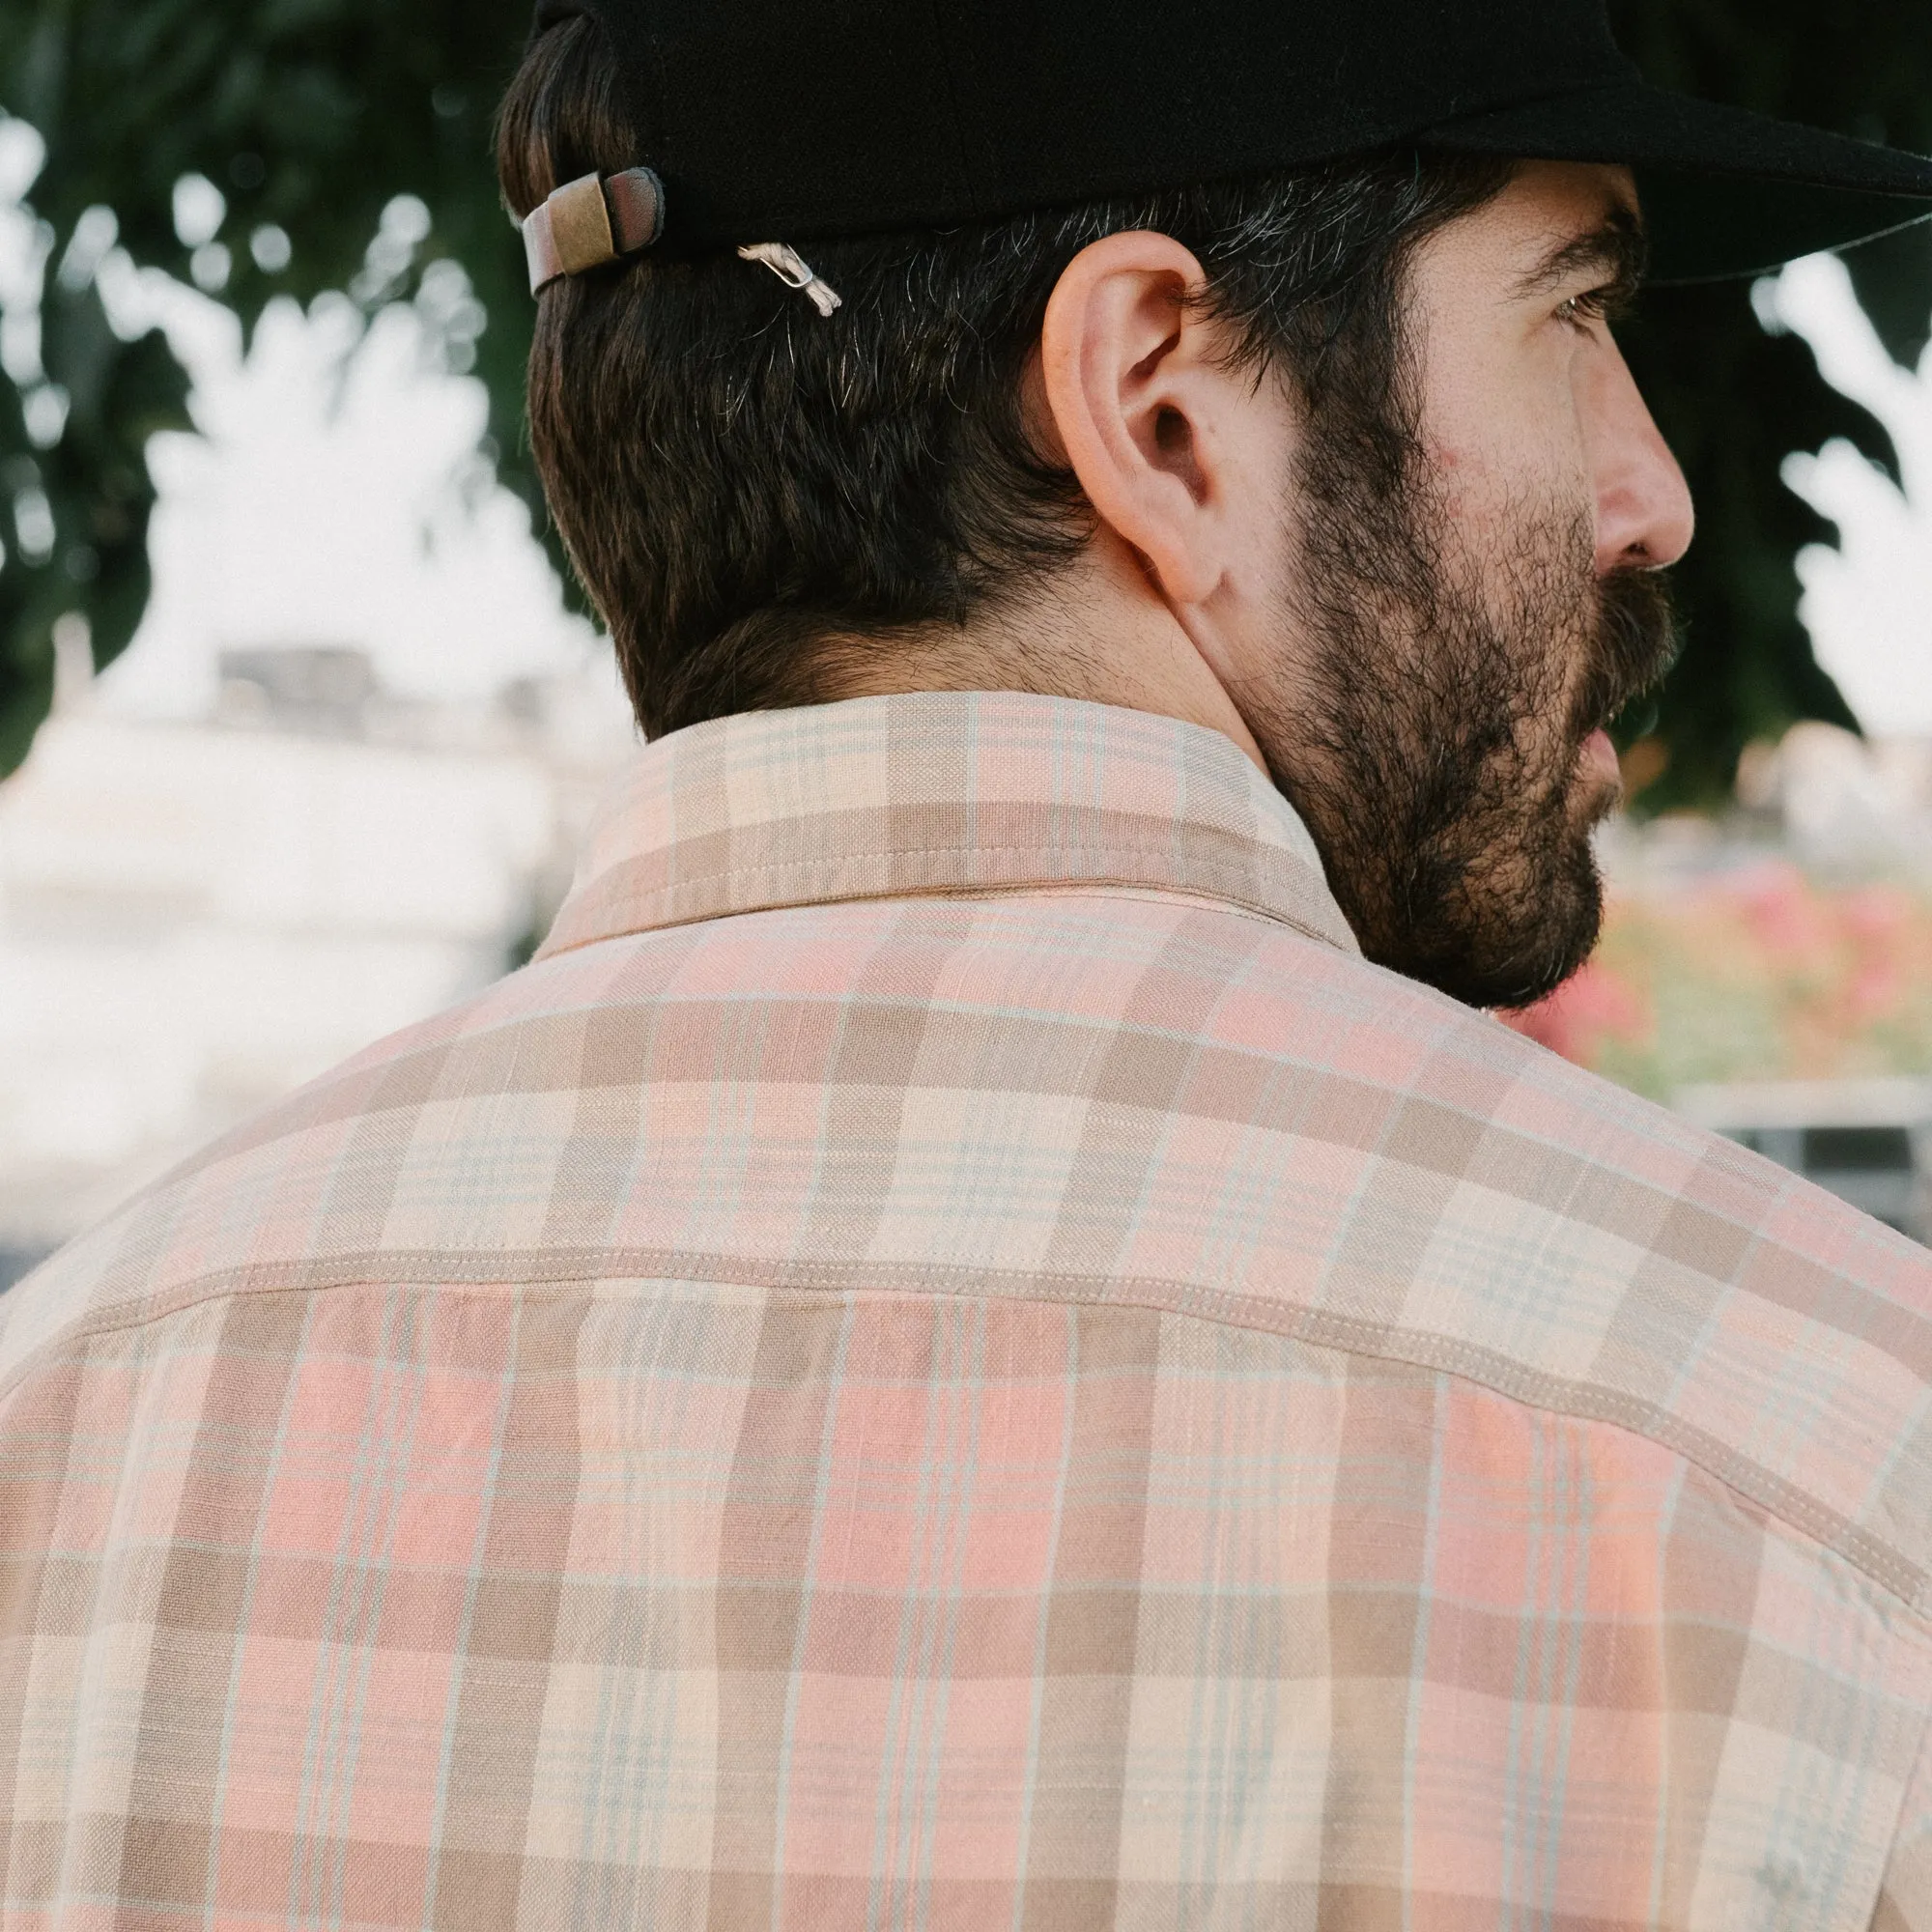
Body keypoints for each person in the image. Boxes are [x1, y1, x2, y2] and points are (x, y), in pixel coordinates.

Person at [7, 1, 1932, 1923]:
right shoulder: (1821, 1486)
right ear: (1160, 408)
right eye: (1573, 313)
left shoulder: (68, 1435)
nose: (1655, 490)